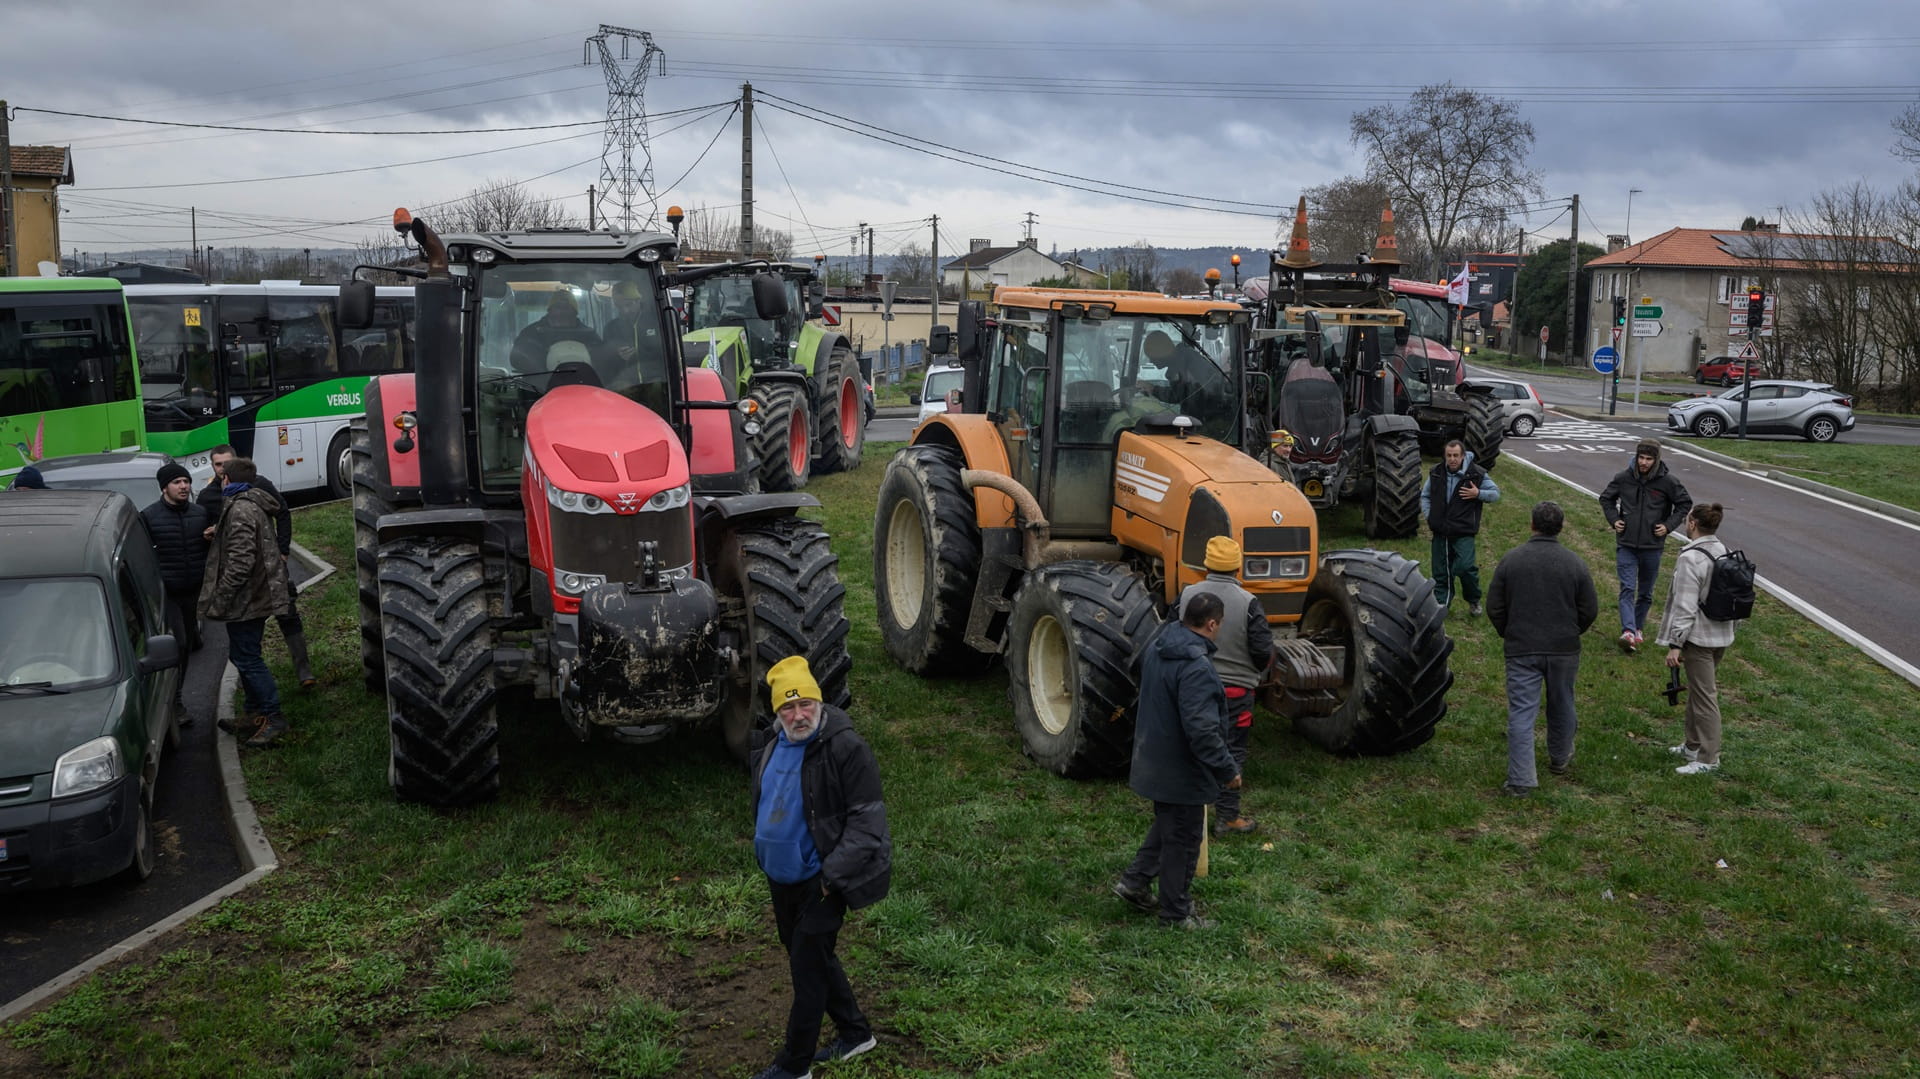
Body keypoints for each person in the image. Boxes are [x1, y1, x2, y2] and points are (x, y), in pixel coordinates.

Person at [748, 655, 890, 1079]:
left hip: (821, 881)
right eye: (787, 707)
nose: (798, 715)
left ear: (820, 702)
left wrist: (830, 878)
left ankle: (795, 1066)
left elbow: (868, 824)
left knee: (807, 973)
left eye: (805, 704)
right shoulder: (771, 746)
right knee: (813, 958)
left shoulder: (846, 748)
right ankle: (855, 1033)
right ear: (777, 712)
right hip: (781, 879)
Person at [1112, 591, 1241, 928]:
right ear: (1212, 624)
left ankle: (1134, 883)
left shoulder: (1159, 644)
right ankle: (1176, 914)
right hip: (1181, 770)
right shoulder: (1196, 667)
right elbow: (1202, 731)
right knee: (1183, 842)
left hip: (1154, 758)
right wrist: (1227, 770)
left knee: (1169, 825)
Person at [1486, 501, 1599, 796]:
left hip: (1522, 647)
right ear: (1560, 528)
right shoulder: (1575, 563)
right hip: (1564, 648)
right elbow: (1589, 608)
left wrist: (1509, 632)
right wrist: (1572, 632)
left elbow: (1495, 606)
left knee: (1522, 714)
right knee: (1563, 704)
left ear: (1532, 525)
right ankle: (1560, 758)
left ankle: (1521, 780)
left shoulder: (1512, 560)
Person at [1177, 536, 1273, 836]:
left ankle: (1186, 814)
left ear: (1206, 564)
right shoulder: (1248, 602)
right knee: (1231, 751)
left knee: (1192, 747)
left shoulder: (1187, 595)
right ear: (1237, 567)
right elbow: (1261, 650)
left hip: (1192, 686)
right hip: (1235, 692)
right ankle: (1228, 817)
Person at [199, 444, 314, 688]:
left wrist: (283, 551)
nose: (222, 469)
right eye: (217, 465)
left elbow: (282, 513)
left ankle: (303, 671)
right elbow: (222, 531)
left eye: (226, 464)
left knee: (287, 613)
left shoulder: (258, 485)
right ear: (212, 466)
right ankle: (255, 692)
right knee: (248, 638)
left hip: (269, 566)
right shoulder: (208, 496)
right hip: (243, 579)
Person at [200, 457, 291, 748]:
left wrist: (221, 597)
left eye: (220, 476)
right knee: (245, 654)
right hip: (258, 594)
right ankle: (254, 715)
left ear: (227, 480)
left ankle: (273, 718)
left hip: (247, 599)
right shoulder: (250, 504)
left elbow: (240, 563)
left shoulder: (239, 509)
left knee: (247, 658)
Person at [1655, 503, 1741, 775]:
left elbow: (1685, 606)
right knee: (1698, 690)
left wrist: (1675, 643)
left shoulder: (1691, 558)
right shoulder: (1723, 550)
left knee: (1705, 697)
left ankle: (1708, 758)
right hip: (1721, 634)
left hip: (1698, 638)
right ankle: (1692, 745)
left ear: (1692, 524)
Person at [1599, 439, 1691, 654]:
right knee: (1627, 588)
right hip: (1626, 544)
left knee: (1646, 592)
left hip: (1653, 546)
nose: (1644, 462)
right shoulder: (1623, 478)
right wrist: (1614, 520)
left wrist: (1668, 526)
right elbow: (1606, 499)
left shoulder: (1668, 482)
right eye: (1641, 457)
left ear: (1656, 459)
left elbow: (1684, 504)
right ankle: (1628, 631)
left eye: (1649, 459)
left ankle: (1638, 628)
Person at [1421, 439, 1501, 616]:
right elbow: (1425, 496)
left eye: (1456, 455)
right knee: (1440, 571)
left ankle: (1473, 600)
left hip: (1463, 532)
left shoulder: (1476, 474)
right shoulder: (1436, 473)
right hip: (1440, 531)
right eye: (1449, 455)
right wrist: (1430, 516)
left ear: (1462, 456)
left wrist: (1478, 493)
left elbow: (1496, 494)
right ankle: (1441, 607)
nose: (1452, 459)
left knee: (1465, 568)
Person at [142, 462, 211, 661]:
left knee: (190, 637)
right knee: (179, 643)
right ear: (164, 487)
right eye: (177, 482)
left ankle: (194, 642)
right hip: (168, 590)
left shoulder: (200, 513)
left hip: (194, 587)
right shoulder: (149, 516)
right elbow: (145, 554)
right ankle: (179, 688)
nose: (183, 486)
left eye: (186, 481)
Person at [510, 291, 603, 375]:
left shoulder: (589, 335)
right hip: (538, 390)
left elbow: (602, 361)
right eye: (558, 307)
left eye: (567, 307)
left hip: (585, 386)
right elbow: (516, 358)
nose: (562, 311)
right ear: (550, 310)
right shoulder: (531, 334)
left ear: (575, 312)